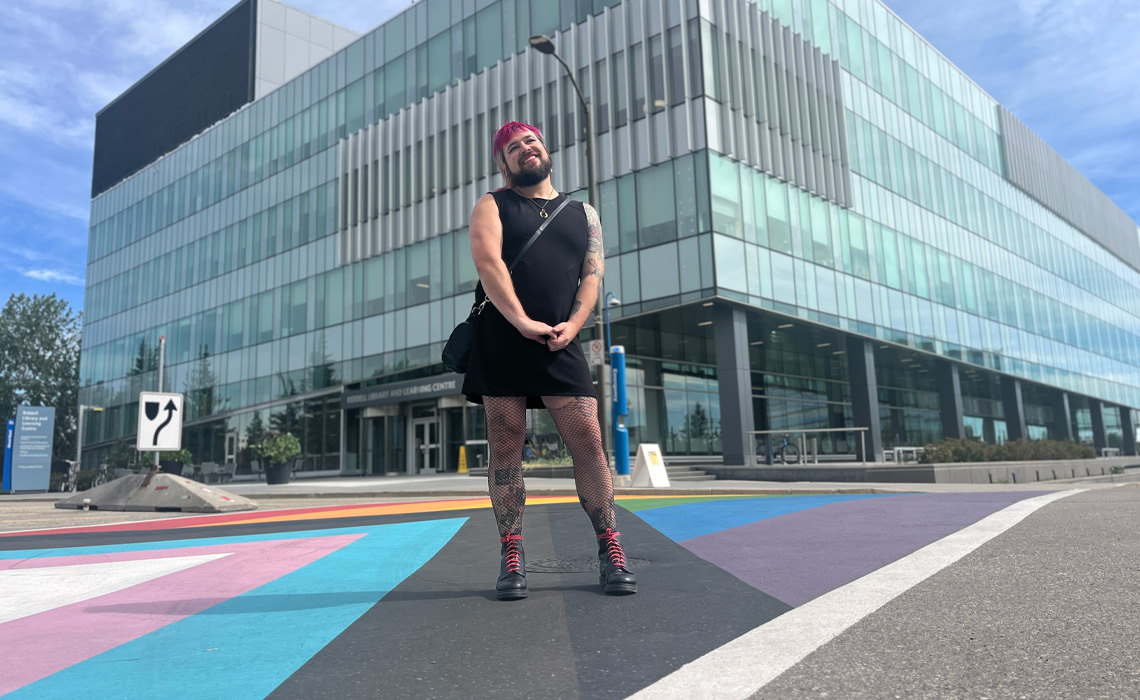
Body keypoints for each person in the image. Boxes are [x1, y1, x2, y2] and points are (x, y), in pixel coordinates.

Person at [462, 121, 637, 601]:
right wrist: (520, 321)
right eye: (513, 148)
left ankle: (610, 547)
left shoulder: (584, 213)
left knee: (588, 441)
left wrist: (575, 325)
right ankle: (512, 552)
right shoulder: (492, 205)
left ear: (545, 148)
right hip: (503, 338)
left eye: (530, 142)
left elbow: (591, 276)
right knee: (505, 445)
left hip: (561, 341)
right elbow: (489, 264)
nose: (524, 151)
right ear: (504, 164)